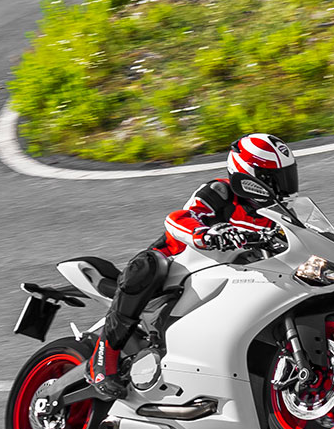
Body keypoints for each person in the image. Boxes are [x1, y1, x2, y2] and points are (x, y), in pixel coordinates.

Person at [87, 133, 299, 397]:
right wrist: (206, 233)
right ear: (249, 175)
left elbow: (299, 239)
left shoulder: (277, 214)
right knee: (148, 265)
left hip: (234, 279)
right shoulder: (220, 192)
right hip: (177, 268)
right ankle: (103, 357)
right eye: (274, 178)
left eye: (286, 176)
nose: (283, 186)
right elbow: (179, 218)